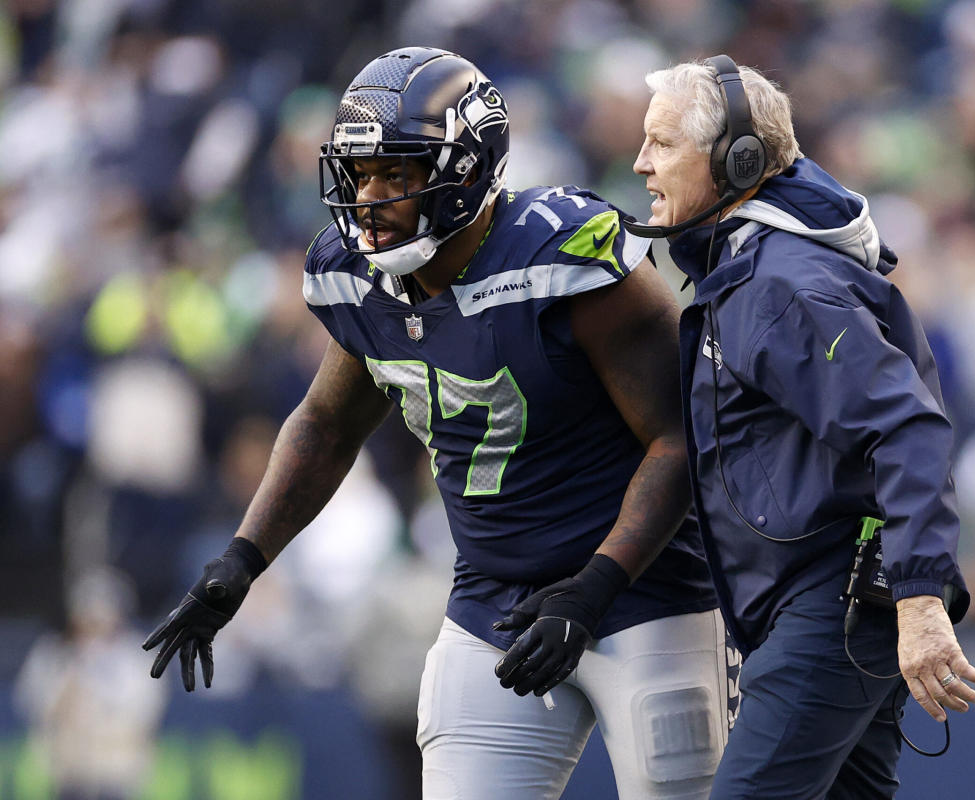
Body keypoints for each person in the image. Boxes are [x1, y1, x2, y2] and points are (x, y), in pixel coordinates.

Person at [143, 47, 732, 800]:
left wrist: (595, 588)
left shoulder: (564, 257)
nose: (371, 197)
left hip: (646, 593)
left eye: (398, 173)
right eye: (361, 174)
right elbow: (325, 426)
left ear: (465, 170)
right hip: (492, 598)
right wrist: (241, 561)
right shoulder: (358, 279)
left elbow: (682, 436)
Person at [629, 56, 975, 799]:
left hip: (832, 608)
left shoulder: (779, 284)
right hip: (831, 601)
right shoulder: (752, 272)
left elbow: (910, 427)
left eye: (663, 144)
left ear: (740, 160)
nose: (641, 164)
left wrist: (918, 602)